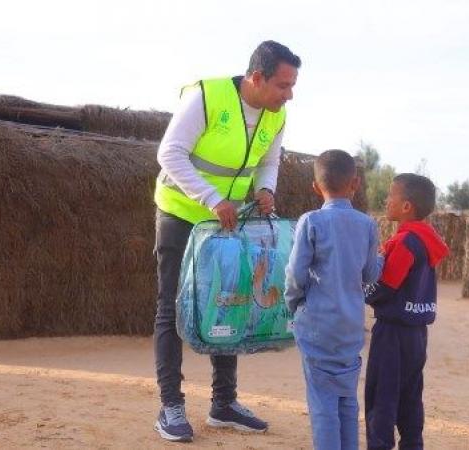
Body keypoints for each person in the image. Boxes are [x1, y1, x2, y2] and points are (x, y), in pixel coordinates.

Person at [152, 40, 301, 442]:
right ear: (257, 77)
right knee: (171, 307)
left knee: (228, 302)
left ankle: (223, 404)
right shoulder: (206, 96)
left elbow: (269, 161)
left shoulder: (276, 114)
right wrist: (213, 199)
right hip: (183, 214)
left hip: (227, 224)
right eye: (283, 85)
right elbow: (170, 154)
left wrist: (265, 189)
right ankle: (171, 406)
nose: (289, 94)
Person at [285, 150, 381, 450]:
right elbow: (370, 275)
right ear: (355, 183)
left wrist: (294, 304)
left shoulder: (311, 222)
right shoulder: (367, 225)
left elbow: (295, 274)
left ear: (316, 187)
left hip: (317, 325)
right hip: (351, 326)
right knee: (346, 400)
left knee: (322, 402)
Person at [364, 174, 449, 450]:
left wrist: (359, 292)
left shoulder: (405, 242)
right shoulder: (427, 241)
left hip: (392, 332)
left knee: (382, 396)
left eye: (391, 195)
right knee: (410, 396)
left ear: (406, 207)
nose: (386, 200)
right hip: (417, 334)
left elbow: (387, 284)